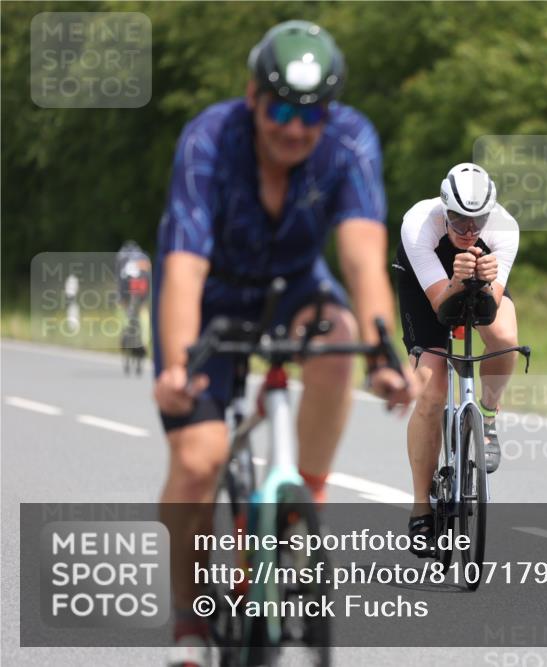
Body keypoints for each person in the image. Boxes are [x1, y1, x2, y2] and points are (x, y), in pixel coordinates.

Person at [151, 20, 417, 666]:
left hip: (293, 286)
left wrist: (386, 354)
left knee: (339, 339)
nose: (295, 128)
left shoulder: (350, 141)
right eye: (280, 110)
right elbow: (183, 263)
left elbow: (361, 256)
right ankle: (189, 620)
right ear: (251, 96)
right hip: (210, 297)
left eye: (312, 112)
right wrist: (181, 362)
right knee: (197, 459)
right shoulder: (209, 139)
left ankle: (307, 494)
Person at [393, 162, 520, 553]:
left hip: (477, 281)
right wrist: (456, 280)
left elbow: (487, 312)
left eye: (476, 223)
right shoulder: (419, 224)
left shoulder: (503, 229)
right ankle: (420, 511)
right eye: (458, 221)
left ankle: (488, 417)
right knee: (431, 390)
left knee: (503, 336)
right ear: (444, 210)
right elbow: (440, 307)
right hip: (426, 285)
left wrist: (480, 282)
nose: (468, 232)